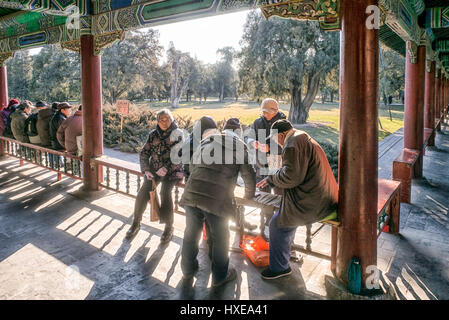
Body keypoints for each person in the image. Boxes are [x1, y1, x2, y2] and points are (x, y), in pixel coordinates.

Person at [256, 119, 338, 280]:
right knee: (284, 215)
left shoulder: (292, 143)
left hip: (314, 201)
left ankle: (280, 268)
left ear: (281, 135)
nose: (277, 144)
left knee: (278, 223)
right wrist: (272, 179)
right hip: (322, 196)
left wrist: (273, 177)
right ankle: (287, 252)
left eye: (276, 140)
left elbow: (290, 177)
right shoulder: (301, 136)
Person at [179, 124, 256, 289]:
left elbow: (191, 166)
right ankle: (220, 276)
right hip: (217, 199)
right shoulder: (240, 147)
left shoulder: (207, 141)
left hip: (192, 193)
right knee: (221, 238)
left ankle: (187, 270)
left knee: (191, 233)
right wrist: (248, 197)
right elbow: (249, 175)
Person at [126, 109, 184, 242]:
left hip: (173, 170)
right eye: (161, 120)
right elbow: (144, 153)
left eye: (167, 119)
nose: (164, 122)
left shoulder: (178, 134)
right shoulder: (153, 134)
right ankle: (136, 223)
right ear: (157, 121)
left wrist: (166, 168)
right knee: (143, 192)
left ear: (172, 119)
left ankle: (169, 227)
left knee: (165, 192)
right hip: (155, 169)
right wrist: (146, 169)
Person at [245, 98, 286, 221]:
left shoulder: (283, 123)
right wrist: (253, 143)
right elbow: (249, 137)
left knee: (279, 191)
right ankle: (266, 219)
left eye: (267, 112)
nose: (264, 114)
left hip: (276, 160)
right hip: (261, 161)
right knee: (263, 191)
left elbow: (287, 143)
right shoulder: (258, 122)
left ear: (275, 111)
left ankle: (279, 218)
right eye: (263, 111)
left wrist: (270, 148)